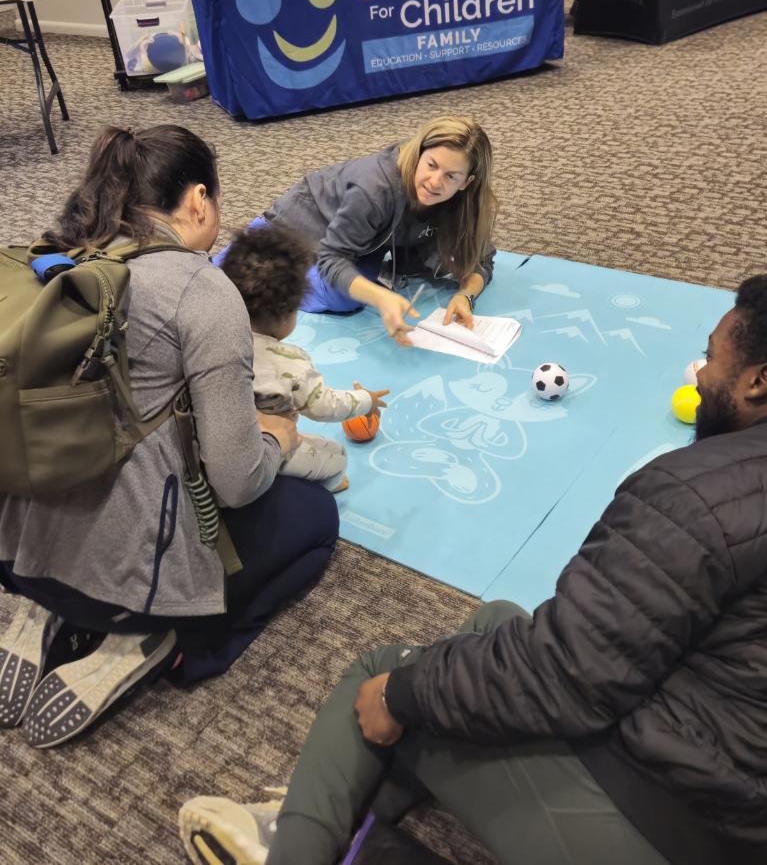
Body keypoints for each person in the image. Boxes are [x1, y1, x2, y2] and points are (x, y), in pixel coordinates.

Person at [179, 276, 767, 865]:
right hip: (721, 779)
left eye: (713, 359)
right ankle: (347, 821)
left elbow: (567, 675)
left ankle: (294, 846)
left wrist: (406, 695)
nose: (699, 372)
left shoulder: (696, 494)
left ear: (758, 381)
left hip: (678, 823)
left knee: (385, 677)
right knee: (498, 619)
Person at [0, 125, 339, 747]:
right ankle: (170, 643)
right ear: (198, 199)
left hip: (14, 552)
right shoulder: (202, 290)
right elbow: (236, 483)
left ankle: (38, 604)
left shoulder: (53, 253)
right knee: (314, 519)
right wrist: (278, 442)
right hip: (126, 589)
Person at [222, 116, 497, 349]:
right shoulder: (375, 188)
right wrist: (381, 298)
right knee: (342, 297)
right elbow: (333, 258)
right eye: (431, 165)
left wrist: (465, 296)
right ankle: (235, 261)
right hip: (296, 227)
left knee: (381, 279)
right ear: (419, 153)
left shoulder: (464, 203)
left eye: (451, 176)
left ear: (466, 182)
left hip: (363, 241)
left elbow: (480, 259)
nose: (435, 182)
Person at [219, 224, 389, 494]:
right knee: (336, 455)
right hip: (262, 452)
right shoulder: (288, 362)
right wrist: (366, 400)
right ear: (288, 313)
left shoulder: (214, 338)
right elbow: (325, 406)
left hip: (216, 445)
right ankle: (329, 486)